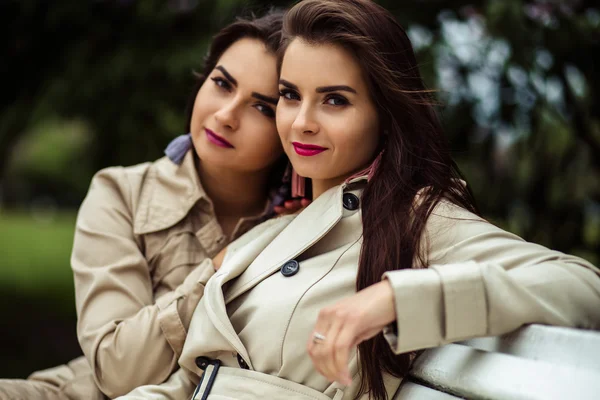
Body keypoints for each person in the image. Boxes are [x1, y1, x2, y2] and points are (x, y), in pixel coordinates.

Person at [118, 1, 600, 399]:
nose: (302, 122)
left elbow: (584, 287)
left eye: (335, 100)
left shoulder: (417, 217)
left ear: (385, 116)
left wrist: (395, 297)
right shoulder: (274, 229)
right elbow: (193, 378)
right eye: (289, 95)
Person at [0, 9, 311, 400]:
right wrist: (220, 266)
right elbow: (117, 371)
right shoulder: (121, 193)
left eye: (262, 107)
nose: (225, 115)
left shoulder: (312, 224)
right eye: (221, 83)